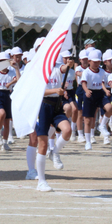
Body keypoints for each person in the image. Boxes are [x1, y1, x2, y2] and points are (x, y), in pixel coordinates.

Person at [33, 53, 72, 191]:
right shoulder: (39, 69)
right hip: (43, 106)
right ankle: (41, 181)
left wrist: (69, 64)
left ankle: (54, 152)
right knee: (42, 144)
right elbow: (38, 91)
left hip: (57, 104)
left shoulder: (57, 66)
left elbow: (63, 68)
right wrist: (56, 90)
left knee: (67, 130)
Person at [81, 49, 112, 151]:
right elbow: (83, 83)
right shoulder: (86, 72)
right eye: (94, 62)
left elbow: (102, 82)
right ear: (89, 61)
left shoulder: (102, 71)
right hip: (90, 94)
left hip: (100, 93)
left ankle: (102, 125)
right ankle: (88, 141)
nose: (96, 64)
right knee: (88, 120)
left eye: (98, 62)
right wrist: (86, 91)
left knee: (110, 108)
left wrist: (105, 90)